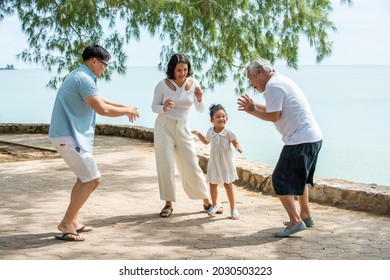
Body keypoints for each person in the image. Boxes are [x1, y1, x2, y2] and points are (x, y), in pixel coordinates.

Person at [48, 45, 139, 241]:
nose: (105, 69)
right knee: (93, 179)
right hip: (68, 137)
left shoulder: (82, 76)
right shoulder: (84, 78)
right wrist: (127, 112)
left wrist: (125, 107)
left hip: (66, 136)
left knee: (83, 178)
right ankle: (66, 223)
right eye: (104, 65)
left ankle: (72, 221)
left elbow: (101, 100)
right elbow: (102, 109)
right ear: (94, 61)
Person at [237, 57, 323, 237]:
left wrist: (253, 112)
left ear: (260, 72)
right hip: (313, 137)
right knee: (300, 179)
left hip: (300, 139)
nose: (250, 84)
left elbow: (274, 116)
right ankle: (305, 215)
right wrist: (253, 107)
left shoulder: (273, 86)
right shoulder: (280, 81)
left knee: (280, 180)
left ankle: (295, 221)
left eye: (250, 78)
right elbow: (274, 108)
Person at [151, 53, 211, 218]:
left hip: (183, 127)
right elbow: (153, 107)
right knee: (166, 164)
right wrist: (164, 107)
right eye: (178, 70)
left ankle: (206, 201)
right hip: (164, 125)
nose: (182, 73)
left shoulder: (194, 83)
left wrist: (199, 98)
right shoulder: (162, 85)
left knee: (191, 163)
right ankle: (168, 203)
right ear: (172, 69)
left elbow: (200, 109)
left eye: (185, 69)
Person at [192, 104, 243, 220]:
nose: (221, 118)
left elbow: (235, 142)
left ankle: (233, 209)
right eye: (218, 116)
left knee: (228, 185)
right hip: (214, 162)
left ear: (227, 118)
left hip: (226, 162)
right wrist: (199, 134)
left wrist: (238, 147)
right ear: (212, 120)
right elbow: (206, 142)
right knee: (213, 184)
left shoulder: (229, 132)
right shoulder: (211, 131)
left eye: (223, 116)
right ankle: (215, 205)